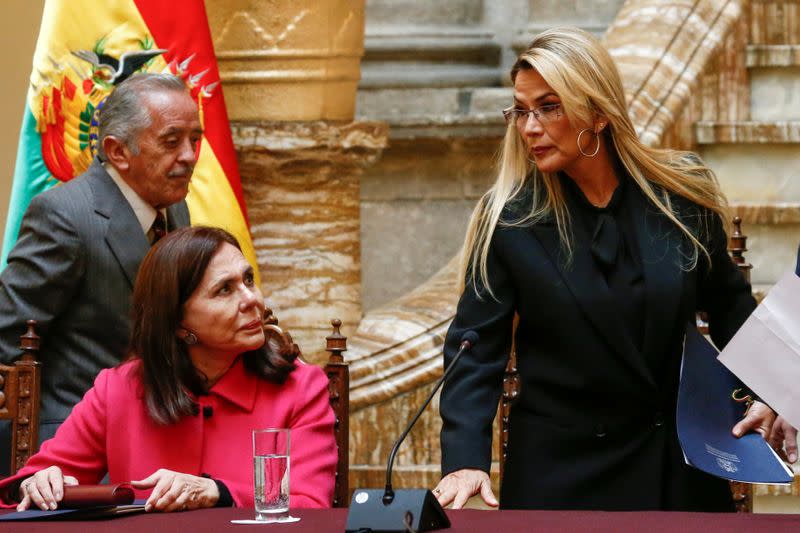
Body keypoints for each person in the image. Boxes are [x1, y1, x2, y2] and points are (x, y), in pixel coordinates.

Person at [433, 27, 774, 512]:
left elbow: (731, 309)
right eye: (522, 110)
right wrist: (465, 459)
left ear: (596, 112)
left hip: (674, 473)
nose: (530, 127)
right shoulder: (510, 219)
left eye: (549, 107)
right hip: (562, 477)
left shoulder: (679, 199)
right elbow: (474, 348)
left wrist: (771, 391)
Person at [1, 226, 337, 511]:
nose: (252, 299)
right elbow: (32, 483)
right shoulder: (119, 388)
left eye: (248, 279)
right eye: (225, 289)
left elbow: (312, 506)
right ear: (177, 323)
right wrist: (38, 483)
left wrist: (219, 493)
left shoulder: (301, 386)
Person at [0, 73, 197, 448]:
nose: (189, 156)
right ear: (118, 151)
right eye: (172, 142)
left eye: (195, 140)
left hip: (161, 427)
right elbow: (7, 336)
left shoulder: (176, 208)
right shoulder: (64, 216)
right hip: (75, 443)